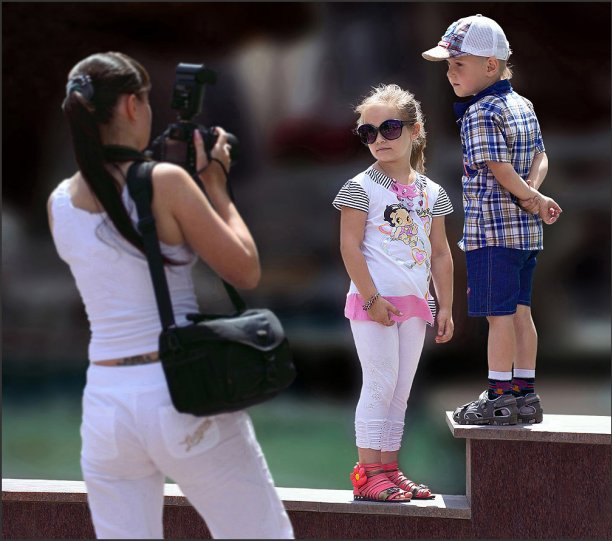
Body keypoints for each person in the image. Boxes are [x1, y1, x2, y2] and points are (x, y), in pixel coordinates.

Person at [47, 52, 294, 539]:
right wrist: (216, 185)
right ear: (132, 106)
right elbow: (244, 269)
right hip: (179, 392)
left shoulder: (58, 202)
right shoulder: (165, 182)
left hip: (105, 403)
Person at [421, 14, 563, 426]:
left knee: (497, 316)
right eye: (448, 66)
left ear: (490, 65)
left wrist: (531, 196)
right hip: (525, 234)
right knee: (521, 312)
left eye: (458, 65)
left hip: (492, 232)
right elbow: (541, 155)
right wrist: (535, 198)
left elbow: (499, 169)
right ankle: (526, 393)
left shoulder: (480, 112)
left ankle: (499, 394)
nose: (450, 74)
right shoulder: (524, 104)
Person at [333, 84, 455, 502]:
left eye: (389, 128)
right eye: (369, 133)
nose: (379, 140)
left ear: (414, 130)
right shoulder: (360, 187)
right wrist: (371, 299)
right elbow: (349, 247)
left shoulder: (431, 192)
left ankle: (388, 468)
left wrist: (446, 306)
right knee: (379, 384)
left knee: (401, 391)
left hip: (416, 306)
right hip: (374, 303)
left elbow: (440, 253)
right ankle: (368, 473)